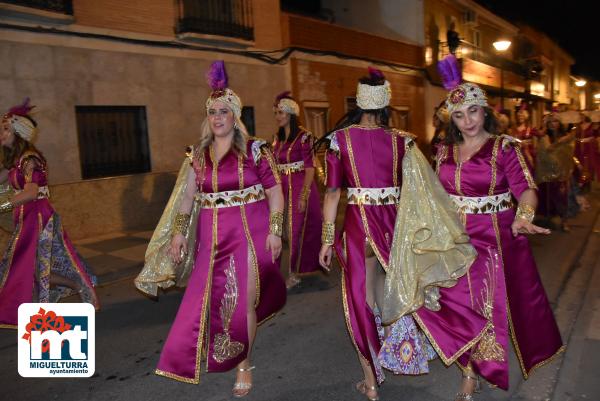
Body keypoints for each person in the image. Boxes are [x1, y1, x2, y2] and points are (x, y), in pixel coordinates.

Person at [319, 67, 480, 401]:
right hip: (394, 226)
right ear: (385, 104)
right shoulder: (402, 142)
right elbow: (420, 191)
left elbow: (333, 193)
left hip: (357, 229)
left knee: (360, 301)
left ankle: (372, 383)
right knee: (405, 289)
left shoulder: (340, 141)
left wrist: (325, 237)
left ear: (359, 101)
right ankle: (444, 357)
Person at [135, 61, 286, 397]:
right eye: (212, 112)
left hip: (249, 234)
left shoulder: (256, 151)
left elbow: (276, 193)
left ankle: (243, 364)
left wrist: (276, 231)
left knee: (240, 300)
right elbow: (187, 200)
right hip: (212, 239)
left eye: (224, 111)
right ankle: (220, 346)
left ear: (235, 116)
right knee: (213, 300)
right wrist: (178, 233)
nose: (217, 117)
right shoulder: (197, 156)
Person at [433, 55, 563, 399]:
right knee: (453, 304)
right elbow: (434, 196)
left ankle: (473, 373)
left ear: (485, 110)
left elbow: (527, 189)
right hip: (454, 240)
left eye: (472, 111)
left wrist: (525, 216)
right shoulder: (444, 151)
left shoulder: (505, 148)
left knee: (483, 306)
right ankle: (468, 364)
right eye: (458, 115)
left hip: (494, 238)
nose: (467, 121)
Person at [0, 98, 99, 328]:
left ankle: (78, 285)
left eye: (6, 129)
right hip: (25, 217)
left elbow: (32, 192)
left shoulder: (30, 159)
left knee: (28, 267)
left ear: (19, 132)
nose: (1, 133)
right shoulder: (15, 162)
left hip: (37, 217)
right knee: (33, 269)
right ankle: (76, 286)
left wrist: (2, 205)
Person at [272, 91, 322, 288]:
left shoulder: (304, 137)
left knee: (295, 231)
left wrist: (303, 195)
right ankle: (276, 272)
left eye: (281, 113)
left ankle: (293, 274)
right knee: (280, 231)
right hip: (281, 188)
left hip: (299, 186)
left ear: (290, 114)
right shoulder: (277, 138)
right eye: (276, 113)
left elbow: (310, 168)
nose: (277, 117)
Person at [536, 113, 575, 231]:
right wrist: (559, 144)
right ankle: (548, 218)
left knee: (562, 197)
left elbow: (568, 152)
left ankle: (564, 221)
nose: (553, 124)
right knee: (549, 197)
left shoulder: (565, 136)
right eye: (551, 122)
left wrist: (564, 142)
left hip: (562, 173)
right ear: (548, 124)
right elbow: (544, 153)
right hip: (548, 173)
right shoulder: (544, 137)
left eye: (556, 121)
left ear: (560, 123)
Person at [513, 104, 542, 168]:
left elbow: (541, 136)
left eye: (522, 116)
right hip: (517, 155)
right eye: (519, 116)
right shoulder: (514, 129)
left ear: (526, 116)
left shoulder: (530, 129)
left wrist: (538, 148)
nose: (520, 117)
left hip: (529, 155)